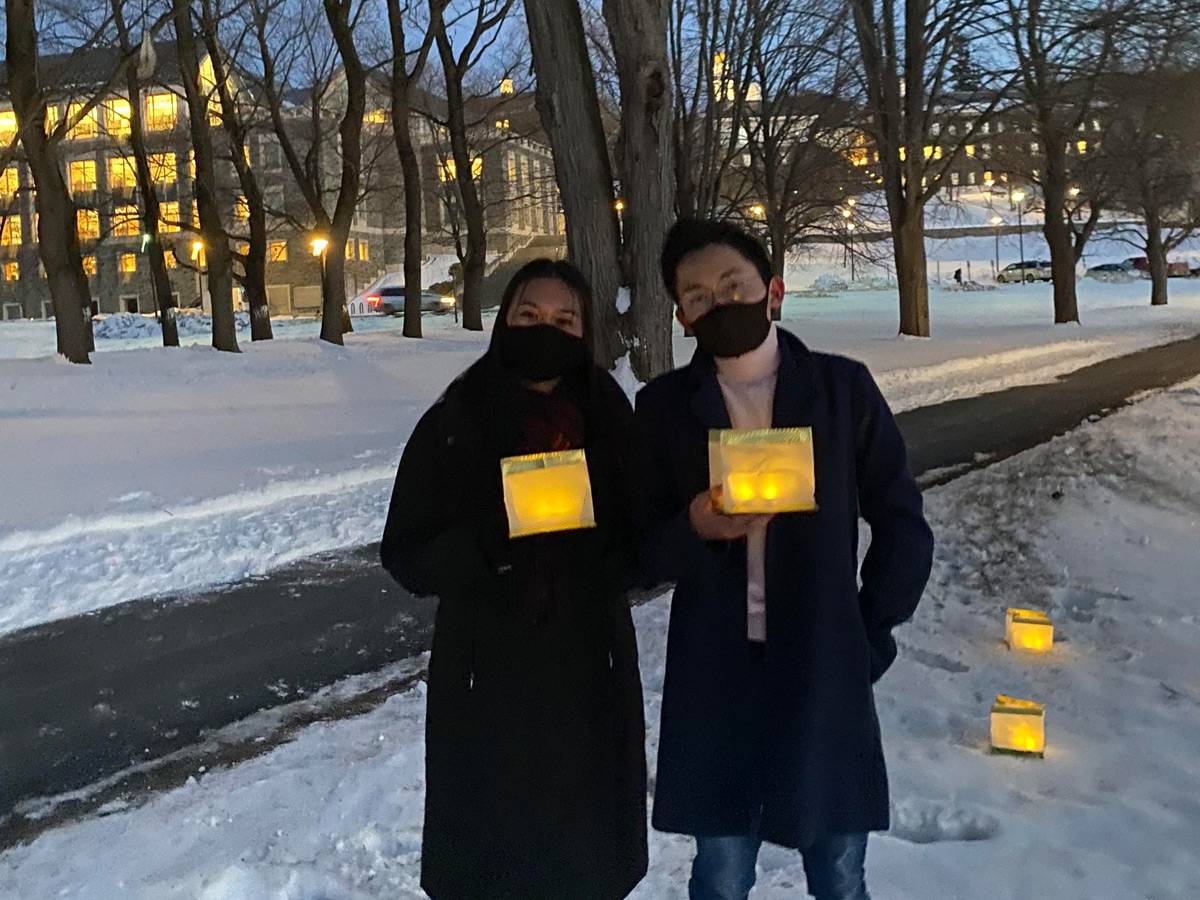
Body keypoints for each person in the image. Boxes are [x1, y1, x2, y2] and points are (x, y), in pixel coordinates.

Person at [632, 219, 934, 900]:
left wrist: (867, 631)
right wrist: (694, 526)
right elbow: (640, 548)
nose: (719, 303)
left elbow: (902, 523)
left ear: (773, 291)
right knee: (721, 873)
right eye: (698, 296)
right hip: (716, 670)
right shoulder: (664, 410)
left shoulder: (841, 390)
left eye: (732, 286)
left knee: (839, 869)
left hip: (822, 661)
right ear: (682, 317)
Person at [380, 259, 648, 900]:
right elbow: (405, 552)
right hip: (486, 674)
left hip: (590, 669)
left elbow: (644, 542)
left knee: (586, 859)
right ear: (504, 321)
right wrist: (487, 543)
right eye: (529, 315)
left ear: (584, 332)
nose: (545, 329)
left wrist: (613, 541)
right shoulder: (455, 420)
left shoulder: (609, 415)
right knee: (492, 858)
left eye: (564, 320)